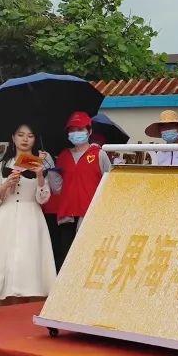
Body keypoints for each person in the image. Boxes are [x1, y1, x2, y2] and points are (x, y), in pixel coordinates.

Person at [0, 124, 56, 302]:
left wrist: (40, 177)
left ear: (35, 140)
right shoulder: (2, 165)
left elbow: (43, 198)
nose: (25, 139)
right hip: (6, 216)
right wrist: (6, 185)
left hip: (31, 217)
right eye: (21, 135)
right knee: (1, 261)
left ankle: (25, 303)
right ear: (13, 137)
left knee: (27, 262)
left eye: (30, 136)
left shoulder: (39, 164)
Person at [55, 111, 112, 260]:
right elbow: (57, 188)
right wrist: (49, 170)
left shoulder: (99, 154)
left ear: (89, 131)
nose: (76, 133)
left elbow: (109, 183)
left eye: (80, 129)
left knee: (86, 257)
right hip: (67, 216)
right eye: (72, 130)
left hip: (89, 215)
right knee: (66, 258)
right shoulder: (63, 156)